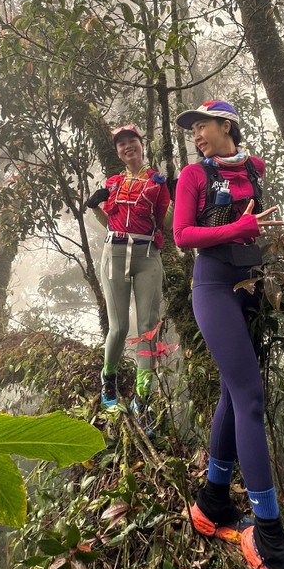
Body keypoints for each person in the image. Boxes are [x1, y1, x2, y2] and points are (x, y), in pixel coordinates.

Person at [173, 99, 284, 569]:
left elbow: (264, 223)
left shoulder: (254, 168)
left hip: (252, 287)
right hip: (211, 286)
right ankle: (270, 540)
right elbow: (182, 234)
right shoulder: (193, 174)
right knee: (251, 398)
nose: (197, 136)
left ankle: (212, 504)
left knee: (237, 396)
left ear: (226, 124)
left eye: (203, 126)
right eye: (192, 130)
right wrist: (237, 230)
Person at [85, 124, 170, 423]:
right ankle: (108, 377)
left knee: (147, 327)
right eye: (121, 144)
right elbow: (108, 223)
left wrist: (176, 196)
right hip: (116, 252)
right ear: (118, 152)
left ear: (141, 145)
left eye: (131, 141)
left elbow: (166, 223)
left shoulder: (159, 183)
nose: (126, 147)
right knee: (119, 327)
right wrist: (95, 206)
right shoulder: (114, 183)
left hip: (148, 255)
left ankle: (143, 398)